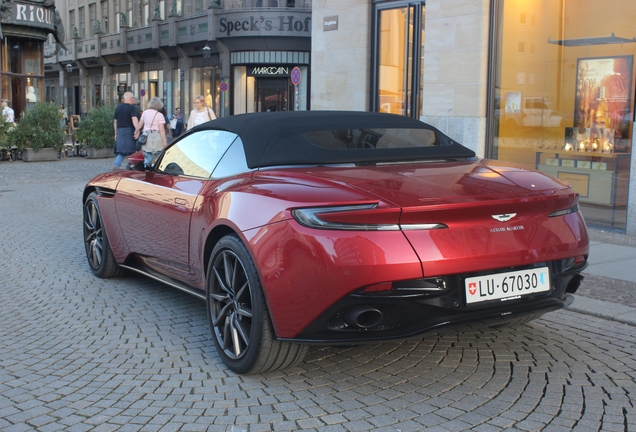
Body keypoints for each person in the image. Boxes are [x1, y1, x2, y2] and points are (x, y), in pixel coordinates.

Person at [134, 97, 167, 167]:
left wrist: (136, 131)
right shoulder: (160, 115)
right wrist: (164, 141)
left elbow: (140, 124)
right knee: (158, 154)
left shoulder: (145, 113)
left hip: (147, 136)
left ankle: (148, 169)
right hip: (157, 136)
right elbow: (161, 129)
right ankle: (155, 168)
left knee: (148, 154)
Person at [113, 92, 139, 169]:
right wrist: (137, 130)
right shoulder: (132, 108)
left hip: (120, 131)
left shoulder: (118, 108)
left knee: (121, 152)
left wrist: (116, 133)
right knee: (132, 152)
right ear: (131, 99)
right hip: (129, 131)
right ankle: (132, 167)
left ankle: (116, 166)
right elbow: (134, 119)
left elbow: (115, 121)